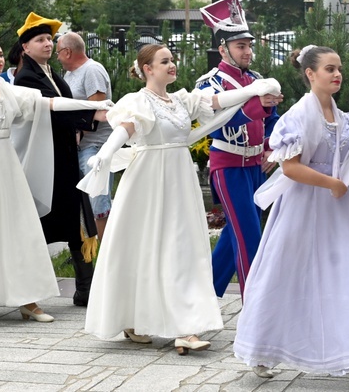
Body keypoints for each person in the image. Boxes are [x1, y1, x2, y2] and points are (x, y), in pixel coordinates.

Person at [235, 45, 349, 389]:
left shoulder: (346, 120)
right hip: (301, 208)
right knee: (283, 276)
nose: (337, 74)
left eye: (339, 69)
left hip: (336, 213)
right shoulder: (296, 117)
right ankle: (263, 347)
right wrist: (331, 183)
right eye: (329, 69)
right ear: (310, 74)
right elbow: (290, 168)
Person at [78, 44, 281, 354]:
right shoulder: (137, 101)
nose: (172, 65)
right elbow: (124, 129)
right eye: (164, 61)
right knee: (140, 247)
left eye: (172, 60)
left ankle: (186, 328)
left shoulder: (181, 101)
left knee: (182, 247)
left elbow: (217, 101)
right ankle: (133, 317)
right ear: (147, 69)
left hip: (178, 178)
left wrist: (252, 89)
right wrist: (104, 156)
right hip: (147, 180)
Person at [0, 35, 111, 325]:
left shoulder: (8, 89)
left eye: (0, 54)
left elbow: (47, 104)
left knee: (19, 228)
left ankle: (28, 299)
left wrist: (93, 109)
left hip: (7, 164)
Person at [196, 0, 283, 300]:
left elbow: (272, 121)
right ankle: (255, 307)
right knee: (249, 236)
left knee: (236, 234)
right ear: (223, 49)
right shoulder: (209, 84)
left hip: (256, 167)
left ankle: (204, 297)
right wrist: (260, 105)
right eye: (240, 46)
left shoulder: (256, 77)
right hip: (228, 166)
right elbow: (224, 124)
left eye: (249, 45)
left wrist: (272, 150)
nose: (248, 51)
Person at [13, 12, 101, 307]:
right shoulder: (26, 77)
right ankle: (27, 289)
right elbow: (52, 113)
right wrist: (92, 115)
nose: (48, 44)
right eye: (40, 39)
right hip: (45, 162)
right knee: (40, 221)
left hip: (63, 157)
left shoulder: (52, 74)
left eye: (50, 39)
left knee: (76, 217)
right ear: (25, 47)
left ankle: (86, 289)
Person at [58, 31, 113, 240]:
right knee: (86, 200)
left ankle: (106, 250)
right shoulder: (70, 74)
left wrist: (77, 129)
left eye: (58, 53)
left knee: (98, 199)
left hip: (96, 145)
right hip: (80, 145)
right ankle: (92, 246)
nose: (57, 58)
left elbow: (97, 110)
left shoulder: (92, 70)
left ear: (68, 52)